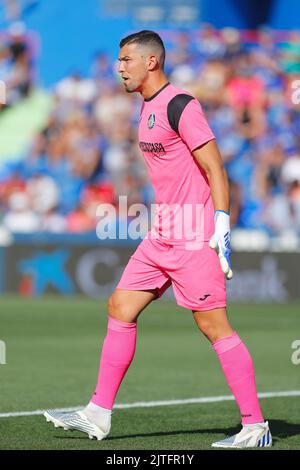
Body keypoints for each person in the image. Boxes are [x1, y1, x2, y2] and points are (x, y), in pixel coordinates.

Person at [44, 30, 272, 448]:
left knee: (213, 325)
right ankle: (98, 413)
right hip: (163, 231)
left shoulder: (182, 105)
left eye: (126, 60)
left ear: (151, 62)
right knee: (121, 305)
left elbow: (216, 169)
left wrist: (221, 224)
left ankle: (256, 427)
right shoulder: (146, 106)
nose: (119, 68)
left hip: (193, 234)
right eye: (118, 60)